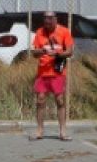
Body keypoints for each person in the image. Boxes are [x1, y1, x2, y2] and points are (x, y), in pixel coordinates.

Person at [32, 11, 75, 141]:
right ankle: (39, 130)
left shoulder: (64, 32)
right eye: (45, 21)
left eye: (50, 21)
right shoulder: (40, 32)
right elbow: (34, 52)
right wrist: (43, 50)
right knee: (40, 100)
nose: (48, 24)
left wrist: (58, 54)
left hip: (58, 71)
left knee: (60, 100)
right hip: (43, 72)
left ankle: (62, 131)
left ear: (55, 20)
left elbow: (70, 51)